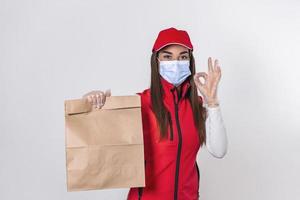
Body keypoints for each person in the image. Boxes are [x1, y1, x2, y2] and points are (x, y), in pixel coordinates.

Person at [82, 27, 228, 200]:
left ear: (190, 61)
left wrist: (212, 102)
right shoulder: (140, 104)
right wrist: (90, 102)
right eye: (168, 56)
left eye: (183, 57)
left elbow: (219, 151)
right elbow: (98, 138)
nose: (176, 62)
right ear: (156, 61)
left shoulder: (197, 105)